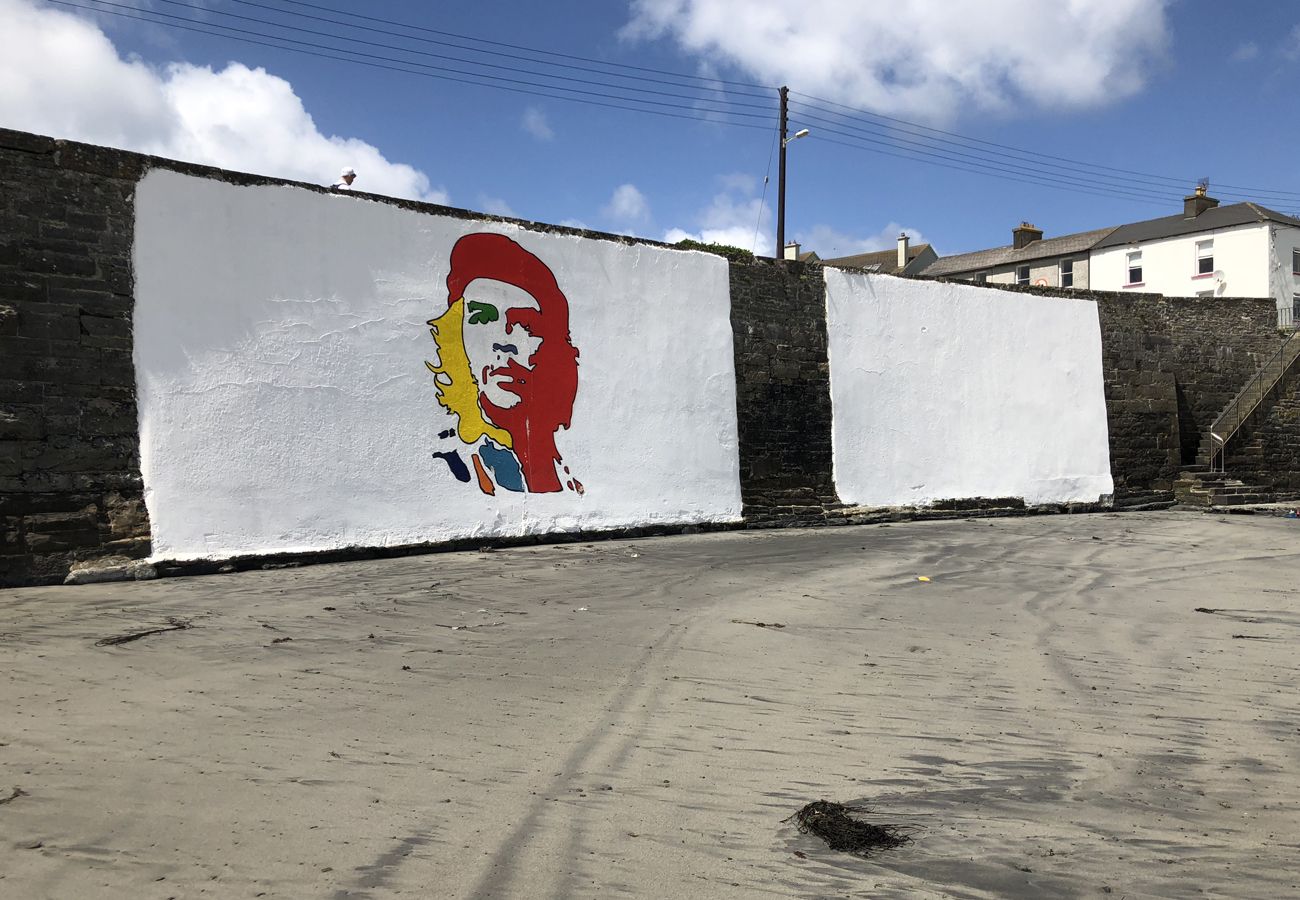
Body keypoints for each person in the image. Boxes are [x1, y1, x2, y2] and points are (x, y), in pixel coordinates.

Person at [426, 233, 582, 495]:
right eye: (481, 318)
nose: (504, 343)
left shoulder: (562, 473)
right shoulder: (458, 460)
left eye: (524, 325)